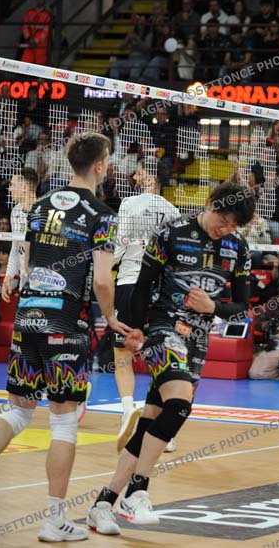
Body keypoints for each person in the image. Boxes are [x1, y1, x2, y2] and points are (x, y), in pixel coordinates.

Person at [0, 132, 138, 541]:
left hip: (28, 318)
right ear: (100, 166)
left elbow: (26, 263)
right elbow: (102, 280)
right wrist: (110, 317)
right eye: (108, 162)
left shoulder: (40, 205)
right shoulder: (102, 214)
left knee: (17, 412)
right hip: (65, 323)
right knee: (62, 422)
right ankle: (53, 520)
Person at [87, 182, 253, 533]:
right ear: (210, 204)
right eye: (222, 219)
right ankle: (138, 491)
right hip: (163, 330)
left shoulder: (238, 248)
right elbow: (141, 284)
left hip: (198, 340)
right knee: (179, 404)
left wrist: (213, 307)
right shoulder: (172, 232)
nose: (225, 229)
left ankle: (103, 503)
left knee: (151, 421)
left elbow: (241, 307)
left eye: (233, 225)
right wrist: (136, 329)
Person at [112, 164, 181, 453]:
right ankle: (164, 429)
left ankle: (128, 409)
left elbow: (119, 244)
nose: (135, 176)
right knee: (159, 355)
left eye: (140, 173)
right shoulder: (173, 211)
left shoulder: (129, 203)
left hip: (130, 281)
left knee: (122, 353)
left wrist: (102, 264)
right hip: (160, 288)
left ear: (150, 177)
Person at [1, 169, 38, 302]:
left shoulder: (43, 212)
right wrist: (8, 276)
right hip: (24, 284)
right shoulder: (16, 211)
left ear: (24, 188)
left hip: (42, 284)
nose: (10, 189)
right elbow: (16, 249)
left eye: (13, 184)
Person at [21, 0, 51, 65]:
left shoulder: (48, 15)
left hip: (41, 45)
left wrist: (36, 41)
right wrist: (29, 39)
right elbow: (25, 27)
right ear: (36, 0)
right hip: (30, 43)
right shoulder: (29, 13)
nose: (40, 1)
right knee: (24, 64)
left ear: (45, 0)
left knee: (39, 67)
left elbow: (46, 31)